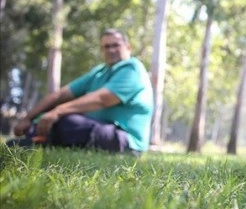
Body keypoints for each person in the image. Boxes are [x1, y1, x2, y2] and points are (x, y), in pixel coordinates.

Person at [6, 28, 154, 154]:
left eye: (115, 45)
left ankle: (38, 142)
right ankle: (34, 139)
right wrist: (29, 118)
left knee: (67, 120)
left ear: (128, 47)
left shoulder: (132, 69)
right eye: (106, 47)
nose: (111, 50)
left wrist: (57, 111)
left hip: (126, 140)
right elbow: (60, 95)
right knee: (55, 117)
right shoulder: (99, 72)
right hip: (98, 127)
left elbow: (103, 99)